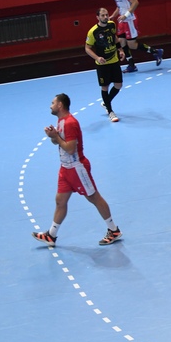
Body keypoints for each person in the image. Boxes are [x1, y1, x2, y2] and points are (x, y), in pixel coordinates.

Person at [32, 94, 122, 247]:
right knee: (60, 201)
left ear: (60, 105)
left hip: (77, 168)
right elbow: (58, 142)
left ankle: (113, 230)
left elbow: (70, 148)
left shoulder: (70, 123)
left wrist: (56, 137)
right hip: (65, 169)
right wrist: (52, 136)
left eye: (53, 103)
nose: (50, 106)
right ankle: (51, 235)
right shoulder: (61, 121)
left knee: (94, 198)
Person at [110, 0, 163, 73]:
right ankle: (132, 66)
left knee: (132, 45)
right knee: (122, 42)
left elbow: (135, 2)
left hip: (129, 20)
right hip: (122, 20)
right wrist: (113, 15)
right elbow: (119, 6)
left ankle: (156, 52)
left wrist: (126, 15)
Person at [84, 7, 125, 123]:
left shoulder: (112, 25)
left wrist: (120, 50)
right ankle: (110, 111)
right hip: (102, 64)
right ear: (97, 17)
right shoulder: (93, 32)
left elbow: (115, 38)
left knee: (118, 85)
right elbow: (87, 48)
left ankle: (106, 102)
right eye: (102, 15)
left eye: (106, 15)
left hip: (114, 60)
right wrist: (97, 57)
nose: (105, 17)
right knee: (105, 87)